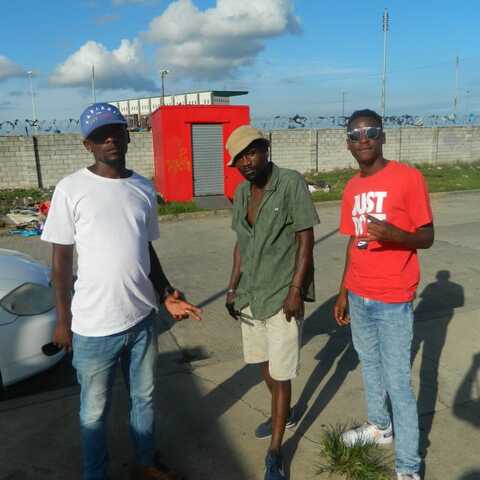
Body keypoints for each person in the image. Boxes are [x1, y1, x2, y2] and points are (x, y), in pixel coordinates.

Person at [41, 103, 202, 480]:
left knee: (143, 398)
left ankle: (145, 463)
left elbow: (146, 248)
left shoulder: (143, 187)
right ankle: (94, 474)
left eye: (116, 130)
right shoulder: (71, 189)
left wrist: (165, 292)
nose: (110, 139)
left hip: (142, 321)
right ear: (88, 145)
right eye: (100, 135)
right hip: (94, 329)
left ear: (128, 135)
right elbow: (61, 262)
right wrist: (63, 320)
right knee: (94, 412)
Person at [334, 109, 434, 480]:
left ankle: (408, 466)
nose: (363, 139)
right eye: (355, 134)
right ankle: (380, 427)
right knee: (370, 365)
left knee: (397, 382)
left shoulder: (408, 178)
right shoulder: (351, 188)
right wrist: (343, 292)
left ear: (383, 136)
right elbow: (352, 242)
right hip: (359, 295)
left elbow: (427, 236)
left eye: (371, 131)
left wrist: (396, 236)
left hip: (393, 298)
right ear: (348, 143)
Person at [225, 125, 319, 480]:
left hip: (282, 295)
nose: (246, 162)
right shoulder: (241, 192)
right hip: (251, 295)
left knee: (281, 374)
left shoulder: (290, 182)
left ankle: (276, 452)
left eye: (252, 152)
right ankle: (286, 412)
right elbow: (241, 243)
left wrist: (296, 290)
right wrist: (232, 288)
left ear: (266, 149)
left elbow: (305, 238)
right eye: (239, 158)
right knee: (263, 363)